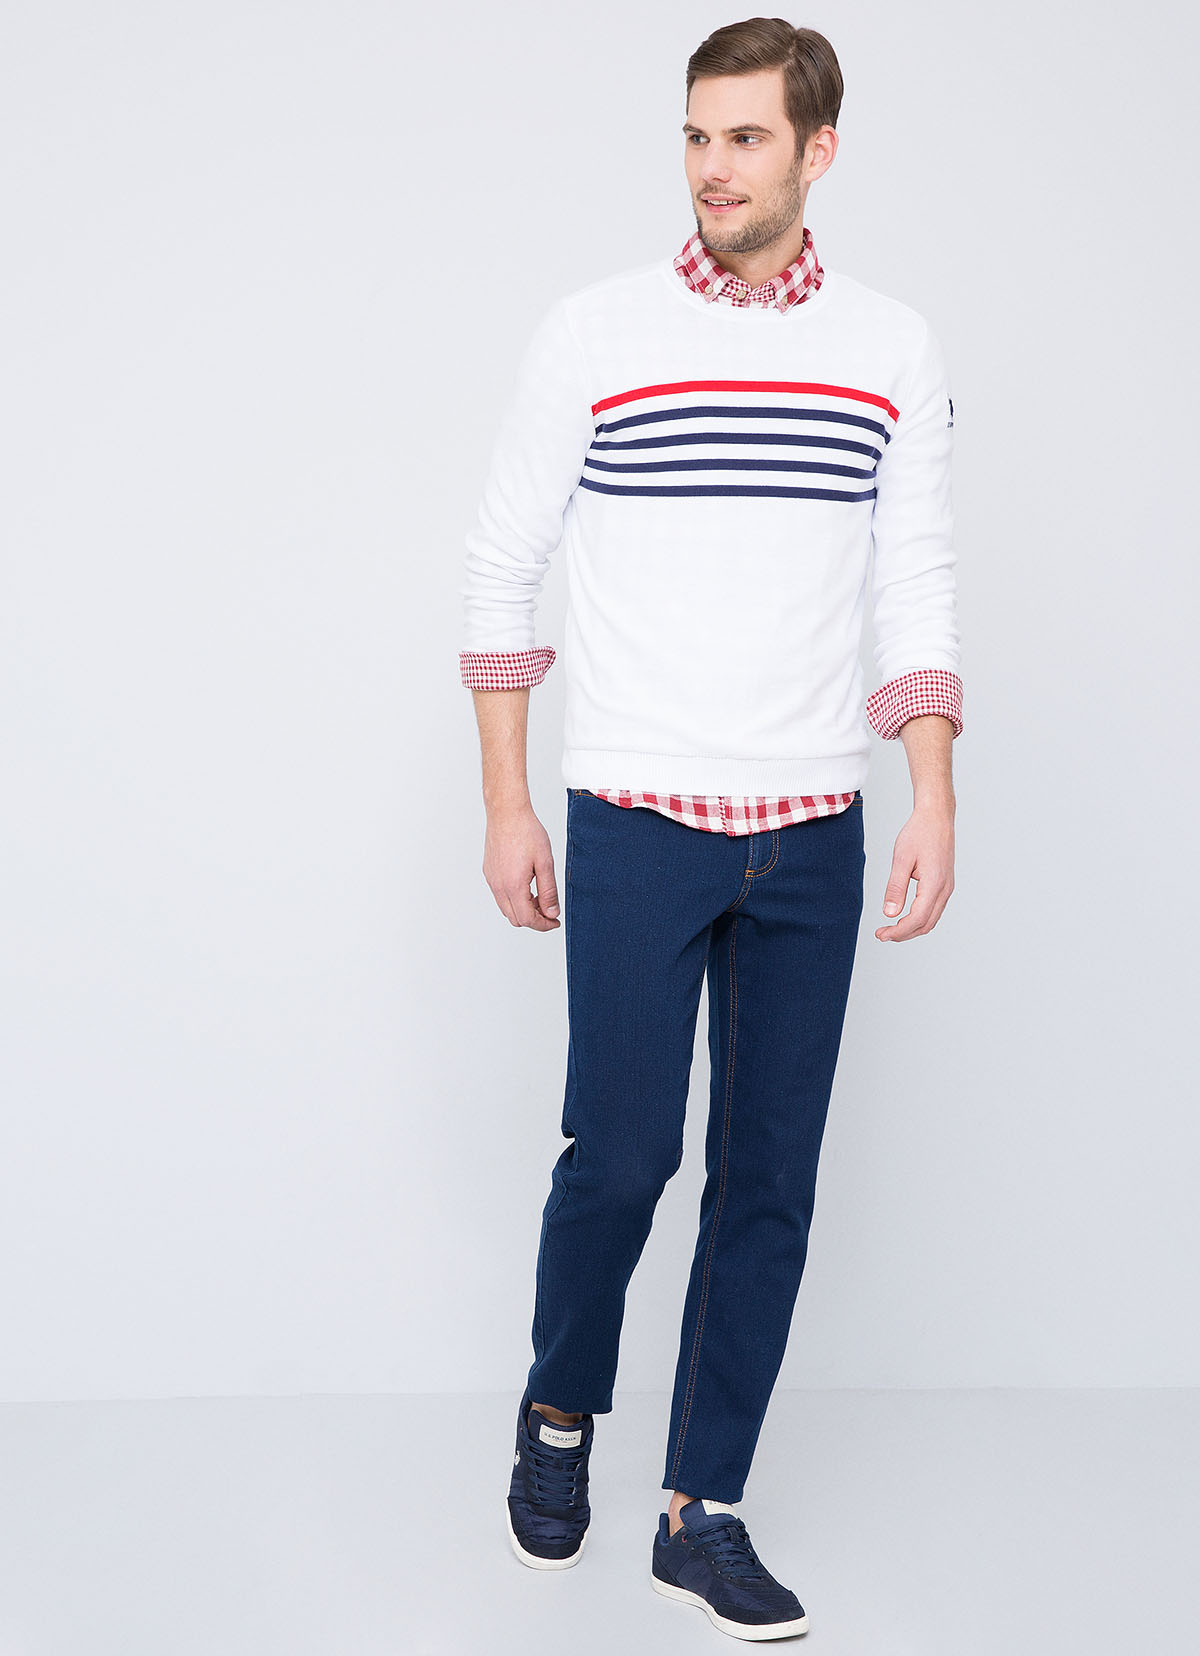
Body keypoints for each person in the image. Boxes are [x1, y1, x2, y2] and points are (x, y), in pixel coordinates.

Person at [459, 17, 962, 1642]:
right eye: (696, 135)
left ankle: (703, 1508)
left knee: (769, 1182)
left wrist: (933, 793)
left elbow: (915, 584)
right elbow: (500, 566)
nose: (713, 168)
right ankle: (559, 1408)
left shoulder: (891, 349)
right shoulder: (596, 333)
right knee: (621, 1157)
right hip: (636, 815)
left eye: (746, 138)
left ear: (819, 151)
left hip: (814, 827)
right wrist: (507, 802)